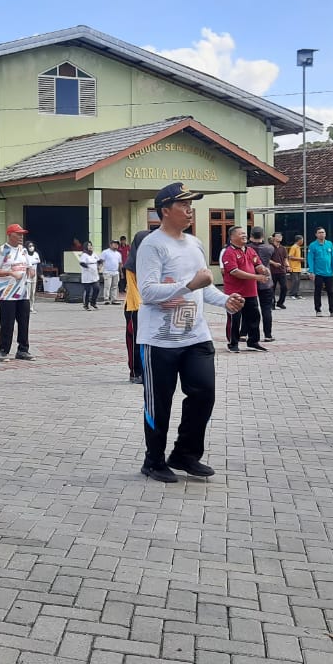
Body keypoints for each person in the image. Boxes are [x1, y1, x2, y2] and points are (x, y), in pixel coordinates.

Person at [135, 183, 244, 483]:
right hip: (159, 340)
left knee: (204, 393)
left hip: (196, 336)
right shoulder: (152, 245)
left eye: (191, 205)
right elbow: (148, 292)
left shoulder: (195, 244)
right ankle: (153, 461)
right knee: (160, 403)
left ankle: (185, 454)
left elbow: (203, 287)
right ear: (165, 211)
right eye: (183, 205)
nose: (189, 210)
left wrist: (225, 300)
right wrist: (189, 285)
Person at [0, 223, 37, 362]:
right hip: (6, 294)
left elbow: (29, 266)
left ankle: (23, 350)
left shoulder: (23, 250)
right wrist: (10, 272)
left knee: (24, 322)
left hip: (22, 293)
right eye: (18, 234)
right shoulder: (2, 250)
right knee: (7, 323)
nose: (21, 237)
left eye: (22, 234)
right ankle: (3, 351)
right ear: (10, 235)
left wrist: (31, 271)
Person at [220, 227, 267, 353]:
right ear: (232, 237)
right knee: (235, 318)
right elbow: (234, 271)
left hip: (251, 291)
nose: (244, 235)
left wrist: (263, 270)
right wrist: (256, 277)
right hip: (234, 293)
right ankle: (233, 343)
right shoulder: (229, 252)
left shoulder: (250, 250)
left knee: (254, 317)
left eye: (245, 233)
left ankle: (253, 342)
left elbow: (257, 264)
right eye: (241, 234)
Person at [122, 229, 148, 386]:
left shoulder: (151, 262)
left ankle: (147, 371)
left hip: (149, 306)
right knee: (135, 342)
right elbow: (133, 289)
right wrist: (140, 306)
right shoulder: (131, 265)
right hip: (135, 307)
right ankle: (135, 372)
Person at [248, 228, 277, 341]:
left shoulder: (247, 248)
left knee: (250, 309)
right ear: (263, 235)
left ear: (251, 235)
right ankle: (268, 335)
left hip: (251, 281)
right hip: (266, 282)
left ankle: (244, 333)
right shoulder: (269, 248)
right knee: (266, 309)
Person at [306, 226, 333, 316]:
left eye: (323, 232)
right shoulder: (313, 245)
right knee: (318, 291)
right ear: (316, 234)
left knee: (331, 292)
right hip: (318, 273)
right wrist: (311, 271)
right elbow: (310, 259)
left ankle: (332, 311)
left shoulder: (329, 244)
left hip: (329, 273)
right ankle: (318, 310)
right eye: (320, 232)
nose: (322, 234)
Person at [77, 242, 101, 309]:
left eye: (91, 245)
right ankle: (86, 304)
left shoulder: (94, 254)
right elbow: (82, 263)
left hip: (94, 275)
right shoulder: (84, 255)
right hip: (87, 275)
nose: (90, 247)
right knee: (88, 291)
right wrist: (88, 267)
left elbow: (99, 261)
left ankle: (93, 302)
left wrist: (99, 266)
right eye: (88, 245)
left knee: (97, 288)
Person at [269, 232, 289, 309]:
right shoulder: (270, 248)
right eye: (278, 236)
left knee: (284, 287)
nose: (280, 237)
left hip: (282, 271)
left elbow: (285, 258)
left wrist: (288, 266)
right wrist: (274, 263)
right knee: (272, 288)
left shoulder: (283, 248)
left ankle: (280, 303)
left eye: (281, 236)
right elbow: (266, 259)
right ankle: (272, 303)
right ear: (273, 238)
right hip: (272, 271)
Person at [100, 240, 122, 305]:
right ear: (110, 245)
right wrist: (99, 268)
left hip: (116, 272)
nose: (116, 245)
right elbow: (101, 261)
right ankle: (106, 299)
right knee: (107, 286)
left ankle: (114, 299)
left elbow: (120, 263)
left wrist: (121, 272)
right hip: (107, 271)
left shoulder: (118, 254)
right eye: (114, 244)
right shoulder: (105, 252)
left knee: (115, 286)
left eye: (117, 244)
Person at [287, 235, 305, 299]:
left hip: (298, 267)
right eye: (302, 240)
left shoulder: (298, 247)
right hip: (293, 267)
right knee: (295, 281)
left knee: (298, 281)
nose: (303, 241)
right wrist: (300, 259)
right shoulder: (294, 247)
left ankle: (297, 294)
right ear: (299, 240)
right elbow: (290, 257)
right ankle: (292, 294)